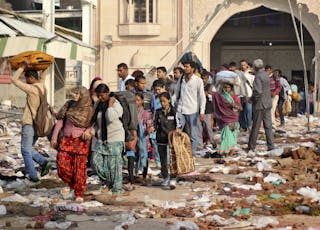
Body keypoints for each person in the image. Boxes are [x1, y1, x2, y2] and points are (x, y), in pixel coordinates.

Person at [51, 86, 93, 202]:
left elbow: (92, 123)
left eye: (77, 94)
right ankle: (72, 183)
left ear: (83, 95)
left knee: (80, 168)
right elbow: (60, 122)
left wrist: (89, 131)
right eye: (74, 94)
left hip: (81, 141)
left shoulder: (89, 109)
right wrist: (54, 138)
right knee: (62, 165)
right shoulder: (68, 105)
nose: (74, 96)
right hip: (67, 140)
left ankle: (79, 192)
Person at [11, 65, 52, 183]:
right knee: (29, 148)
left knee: (25, 150)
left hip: (29, 123)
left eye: (26, 78)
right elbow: (43, 77)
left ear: (31, 78)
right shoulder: (43, 87)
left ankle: (33, 177)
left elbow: (14, 80)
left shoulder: (32, 89)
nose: (26, 81)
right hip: (39, 125)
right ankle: (44, 162)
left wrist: (22, 67)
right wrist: (45, 65)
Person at [84, 83, 125, 194]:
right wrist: (91, 131)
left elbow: (110, 117)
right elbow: (97, 122)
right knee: (95, 162)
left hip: (115, 138)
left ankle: (116, 189)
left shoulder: (116, 104)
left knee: (114, 166)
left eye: (102, 95)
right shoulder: (98, 105)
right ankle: (108, 182)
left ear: (107, 93)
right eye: (98, 96)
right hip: (102, 139)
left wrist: (110, 105)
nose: (100, 98)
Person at [175, 61, 206, 156]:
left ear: (192, 69)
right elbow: (176, 93)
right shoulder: (181, 79)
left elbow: (202, 97)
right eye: (184, 66)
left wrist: (202, 112)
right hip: (181, 109)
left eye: (187, 67)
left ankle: (191, 155)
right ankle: (179, 153)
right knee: (178, 132)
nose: (185, 68)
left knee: (193, 135)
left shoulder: (198, 80)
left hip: (193, 110)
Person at [247, 59, 275, 152]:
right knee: (268, 126)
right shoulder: (266, 75)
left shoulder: (258, 76)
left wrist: (251, 99)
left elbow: (258, 92)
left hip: (259, 105)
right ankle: (271, 146)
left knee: (256, 126)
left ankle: (251, 146)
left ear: (255, 67)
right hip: (267, 103)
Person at [151, 92, 177, 186]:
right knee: (163, 160)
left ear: (169, 101)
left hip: (171, 138)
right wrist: (152, 128)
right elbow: (154, 124)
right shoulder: (158, 112)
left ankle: (173, 177)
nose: (163, 103)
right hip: (161, 137)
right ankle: (165, 177)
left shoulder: (174, 111)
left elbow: (178, 124)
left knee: (173, 159)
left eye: (164, 101)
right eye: (161, 101)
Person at [213, 83, 241, 156]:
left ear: (231, 88)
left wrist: (235, 105)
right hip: (226, 119)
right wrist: (231, 105)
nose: (226, 89)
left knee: (233, 137)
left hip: (234, 118)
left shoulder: (234, 97)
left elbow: (240, 107)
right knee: (226, 136)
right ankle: (224, 151)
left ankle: (231, 151)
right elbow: (222, 105)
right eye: (224, 87)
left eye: (228, 87)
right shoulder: (221, 97)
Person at [135, 93, 153, 186]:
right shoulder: (133, 112)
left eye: (138, 100)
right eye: (135, 100)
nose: (136, 102)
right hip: (135, 138)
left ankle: (144, 175)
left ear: (142, 101)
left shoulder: (146, 113)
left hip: (143, 138)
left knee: (144, 156)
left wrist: (149, 129)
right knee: (136, 156)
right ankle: (137, 173)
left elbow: (149, 124)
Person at [239, 60, 255, 131]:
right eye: (241, 65)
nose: (242, 66)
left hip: (248, 95)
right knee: (241, 112)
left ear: (247, 65)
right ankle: (243, 126)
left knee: (249, 111)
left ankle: (249, 125)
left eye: (244, 65)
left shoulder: (251, 74)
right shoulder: (238, 74)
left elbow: (253, 85)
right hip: (240, 95)